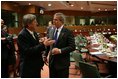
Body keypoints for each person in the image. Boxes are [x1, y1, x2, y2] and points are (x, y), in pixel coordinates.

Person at [44, 13, 75, 78]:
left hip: (62, 64)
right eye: (53, 19)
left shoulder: (68, 32)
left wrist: (60, 50)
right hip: (52, 62)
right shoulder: (50, 30)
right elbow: (48, 45)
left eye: (56, 20)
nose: (53, 21)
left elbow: (72, 47)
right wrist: (45, 55)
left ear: (61, 21)